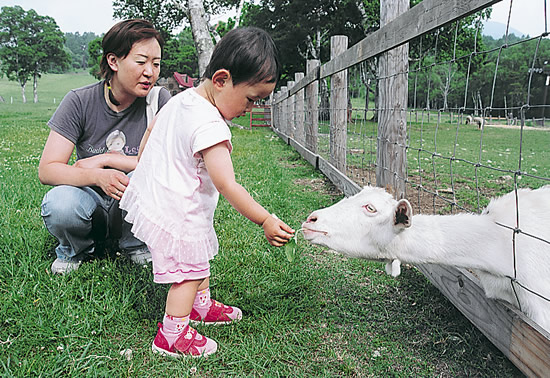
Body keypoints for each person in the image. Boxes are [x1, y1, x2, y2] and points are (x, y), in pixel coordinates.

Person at [119, 26, 294, 358]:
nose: (251, 109)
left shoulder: (182, 99)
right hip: (178, 209)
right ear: (221, 80)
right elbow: (228, 184)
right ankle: (172, 334)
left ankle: (200, 306)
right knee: (188, 271)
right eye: (250, 99)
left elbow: (151, 131)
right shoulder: (211, 126)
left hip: (163, 198)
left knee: (197, 258)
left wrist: (146, 164)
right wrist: (265, 220)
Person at [38, 19, 171, 274]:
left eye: (156, 64)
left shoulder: (159, 101)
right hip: (90, 199)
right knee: (60, 203)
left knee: (146, 179)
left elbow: (169, 163)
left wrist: (106, 160)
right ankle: (75, 249)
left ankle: (137, 243)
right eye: (141, 62)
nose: (150, 72)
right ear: (113, 61)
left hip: (132, 200)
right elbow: (48, 170)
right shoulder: (79, 101)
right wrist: (97, 176)